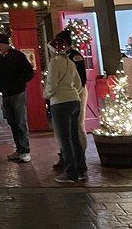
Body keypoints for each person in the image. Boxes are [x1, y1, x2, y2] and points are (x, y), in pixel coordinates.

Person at [44, 36, 86, 183]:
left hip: (60, 102)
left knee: (65, 139)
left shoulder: (54, 63)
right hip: (74, 101)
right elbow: (78, 84)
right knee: (75, 137)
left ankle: (70, 173)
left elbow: (51, 84)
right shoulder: (70, 62)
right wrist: (72, 92)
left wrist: (47, 95)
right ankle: (81, 168)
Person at [0, 32, 34, 163]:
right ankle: (19, 149)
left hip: (18, 93)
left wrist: (18, 83)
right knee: (12, 123)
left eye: (0, 45)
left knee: (21, 122)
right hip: (6, 95)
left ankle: (25, 150)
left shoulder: (17, 56)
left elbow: (28, 72)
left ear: (5, 44)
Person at [53, 29, 88, 170]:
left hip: (76, 94)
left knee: (78, 126)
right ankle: (66, 155)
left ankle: (80, 156)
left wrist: (74, 94)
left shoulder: (75, 57)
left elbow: (81, 80)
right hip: (66, 95)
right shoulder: (60, 58)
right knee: (62, 130)